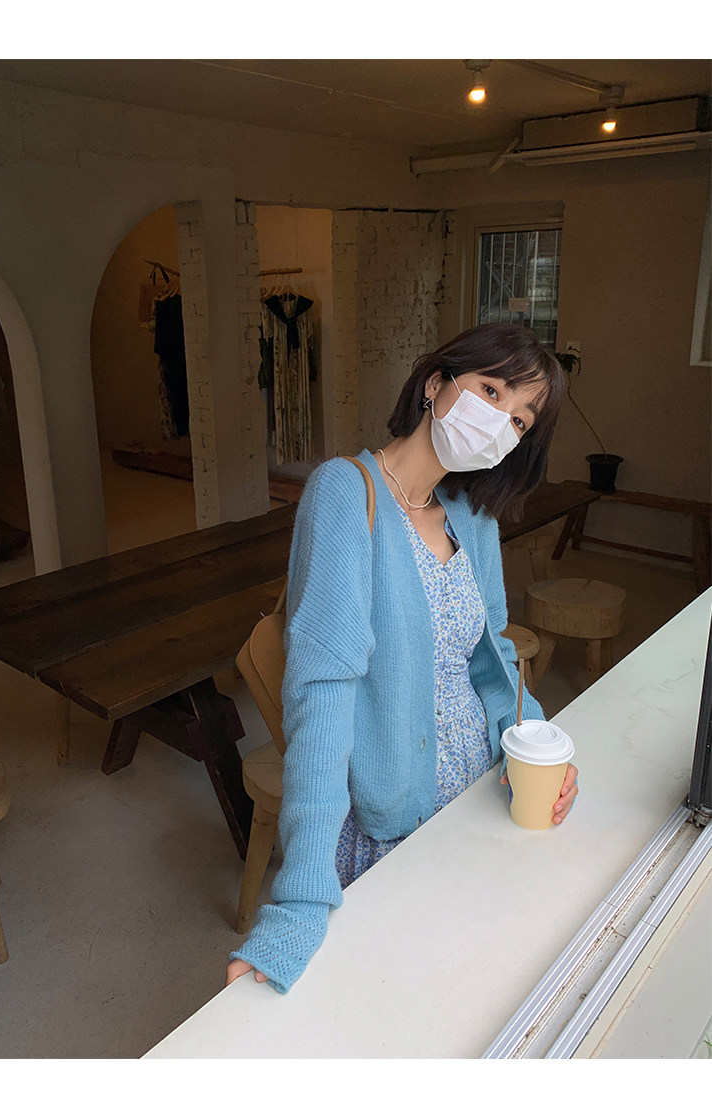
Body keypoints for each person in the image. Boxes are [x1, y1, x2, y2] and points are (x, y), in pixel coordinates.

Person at [226, 323, 578, 995]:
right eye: (492, 391)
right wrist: (300, 901)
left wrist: (539, 749)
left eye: (519, 420)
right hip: (393, 817)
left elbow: (494, 656)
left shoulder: (472, 514)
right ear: (435, 384)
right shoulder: (344, 493)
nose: (499, 422)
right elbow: (321, 700)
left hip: (486, 791)